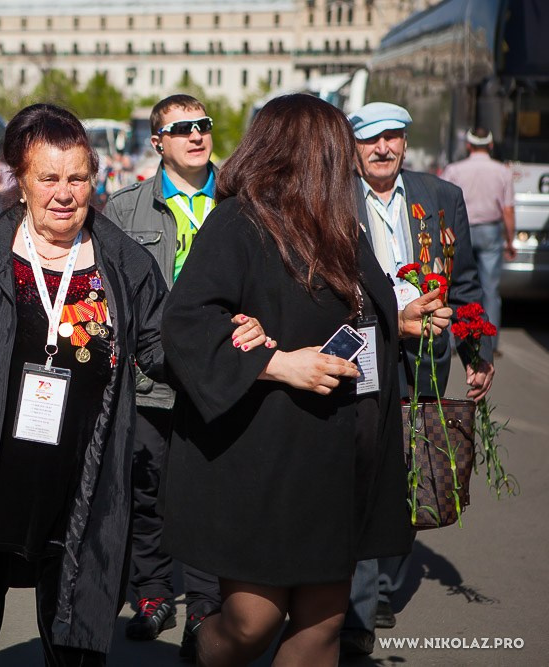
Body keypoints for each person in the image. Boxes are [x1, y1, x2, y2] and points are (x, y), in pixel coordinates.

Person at [0, 103, 269, 665]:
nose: (64, 193)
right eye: (48, 178)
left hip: (81, 478)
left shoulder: (123, 261)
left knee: (74, 638)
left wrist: (224, 340)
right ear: (20, 181)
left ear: (94, 179)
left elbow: (161, 348)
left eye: (77, 178)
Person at [160, 94, 452, 666]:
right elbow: (186, 324)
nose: (349, 157)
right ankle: (200, 651)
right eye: (337, 146)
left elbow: (344, 314)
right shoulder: (238, 223)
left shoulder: (339, 223)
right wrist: (278, 364)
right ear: (307, 152)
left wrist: (400, 319)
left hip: (341, 454)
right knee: (251, 623)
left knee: (322, 626)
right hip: (264, 456)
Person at [342, 102, 494, 656]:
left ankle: (383, 581)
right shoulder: (336, 196)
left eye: (392, 138)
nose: (382, 149)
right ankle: (357, 608)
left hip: (426, 352)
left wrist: (478, 351)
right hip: (362, 348)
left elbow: (468, 285)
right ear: (353, 147)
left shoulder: (440, 197)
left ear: (405, 143)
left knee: (412, 464)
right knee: (364, 464)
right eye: (370, 140)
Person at [104, 94, 225, 660]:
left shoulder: (239, 203)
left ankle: (206, 602)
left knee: (207, 491)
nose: (197, 136)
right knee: (145, 490)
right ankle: (152, 593)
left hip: (221, 378)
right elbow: (104, 294)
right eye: (182, 129)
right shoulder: (124, 210)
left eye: (203, 126)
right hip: (147, 380)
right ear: (158, 142)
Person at [441, 127, 515, 352]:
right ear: (491, 145)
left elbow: (442, 203)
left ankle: (453, 341)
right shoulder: (503, 171)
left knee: (455, 285)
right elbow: (508, 210)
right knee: (489, 288)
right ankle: (488, 343)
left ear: (469, 145)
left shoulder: (454, 170)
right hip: (491, 232)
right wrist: (510, 241)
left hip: (460, 230)